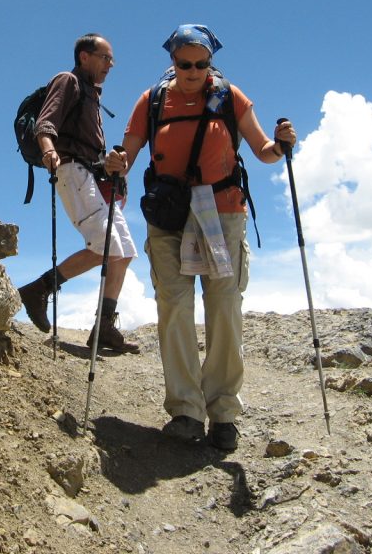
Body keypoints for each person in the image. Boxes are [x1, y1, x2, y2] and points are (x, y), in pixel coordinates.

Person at [112, 24, 297, 450]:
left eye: (200, 63)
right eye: (184, 64)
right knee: (174, 306)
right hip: (169, 214)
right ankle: (186, 411)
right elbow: (127, 153)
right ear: (172, 62)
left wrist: (283, 146)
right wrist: (116, 162)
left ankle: (224, 414)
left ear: (210, 60)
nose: (193, 71)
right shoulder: (153, 100)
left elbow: (264, 151)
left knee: (224, 306)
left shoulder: (230, 98)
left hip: (224, 211)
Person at [17, 33, 140, 354]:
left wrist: (111, 165)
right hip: (71, 172)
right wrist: (48, 152)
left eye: (111, 59)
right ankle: (38, 289)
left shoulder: (91, 94)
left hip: (91, 176)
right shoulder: (68, 81)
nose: (110, 64)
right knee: (107, 248)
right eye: (105, 57)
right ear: (85, 56)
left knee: (124, 252)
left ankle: (105, 326)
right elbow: (46, 123)